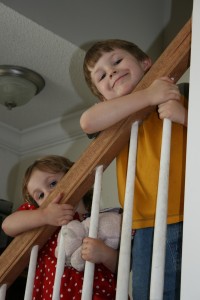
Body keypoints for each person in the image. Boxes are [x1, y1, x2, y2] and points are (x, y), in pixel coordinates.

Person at [80, 39, 188, 299]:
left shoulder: (180, 91)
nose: (112, 72)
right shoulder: (114, 118)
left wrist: (184, 115)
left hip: (190, 209)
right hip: (144, 225)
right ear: (102, 96)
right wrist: (149, 96)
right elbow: (87, 121)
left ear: (145, 62)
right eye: (102, 75)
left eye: (117, 61)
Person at [2, 155, 119, 300]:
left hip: (100, 293)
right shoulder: (43, 218)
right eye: (40, 195)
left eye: (52, 184)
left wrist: (105, 254)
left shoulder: (100, 221)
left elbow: (122, 267)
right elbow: (8, 225)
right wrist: (44, 215)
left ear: (73, 175)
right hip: (53, 293)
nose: (49, 195)